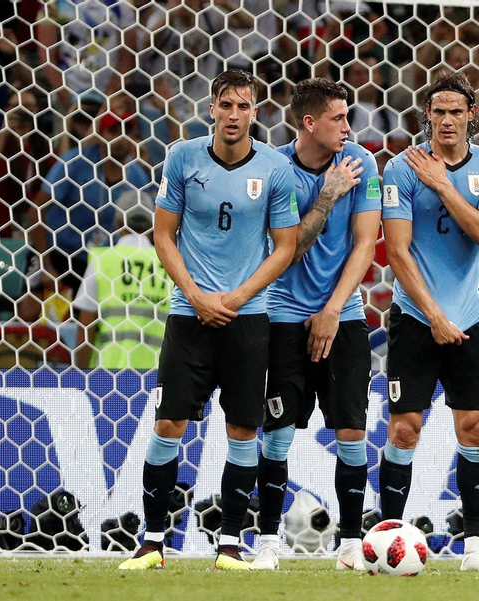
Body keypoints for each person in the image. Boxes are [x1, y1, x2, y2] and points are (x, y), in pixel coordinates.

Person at [117, 70, 300, 571]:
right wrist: (196, 295)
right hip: (188, 314)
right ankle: (152, 543)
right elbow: (163, 236)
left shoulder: (275, 169)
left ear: (256, 112)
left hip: (247, 316)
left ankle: (229, 547)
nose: (234, 115)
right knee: (169, 421)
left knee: (243, 430)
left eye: (243, 106)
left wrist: (237, 297)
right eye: (225, 105)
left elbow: (285, 247)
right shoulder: (182, 158)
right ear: (212, 109)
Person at [378, 72, 479, 572]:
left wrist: (443, 184)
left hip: (469, 317)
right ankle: (385, 536)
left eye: (457, 111)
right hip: (415, 317)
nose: (448, 119)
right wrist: (432, 314)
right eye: (439, 111)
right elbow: (397, 251)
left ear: (472, 115)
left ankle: (475, 546)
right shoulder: (400, 167)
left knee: (475, 428)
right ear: (426, 116)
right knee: (404, 428)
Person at [249, 78, 382, 571]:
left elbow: (366, 243)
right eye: (338, 118)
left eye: (347, 117)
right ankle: (266, 541)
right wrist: (325, 197)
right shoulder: (273, 168)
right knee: (278, 431)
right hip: (281, 314)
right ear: (308, 123)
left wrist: (332, 309)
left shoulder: (363, 164)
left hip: (343, 315)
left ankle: (350, 540)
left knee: (351, 431)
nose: (348, 126)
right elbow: (288, 251)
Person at [73, 196, 169, 370]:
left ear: (118, 223)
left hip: (110, 375)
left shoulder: (103, 261)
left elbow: (86, 326)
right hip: (160, 375)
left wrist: (80, 375)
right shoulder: (170, 264)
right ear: (151, 224)